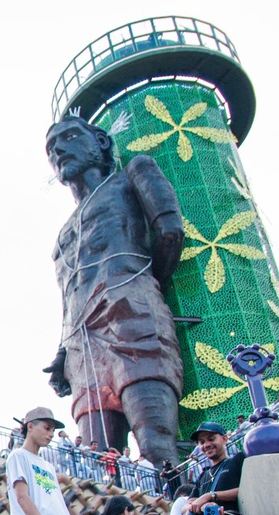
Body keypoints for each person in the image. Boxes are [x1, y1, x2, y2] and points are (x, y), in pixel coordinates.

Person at [42, 116, 184, 467]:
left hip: (132, 318)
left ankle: (180, 511)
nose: (58, 150)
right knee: (98, 462)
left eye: (70, 137)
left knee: (156, 445)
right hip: (82, 343)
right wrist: (62, 352)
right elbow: (67, 299)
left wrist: (139, 285)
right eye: (50, 148)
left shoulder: (133, 173)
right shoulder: (61, 236)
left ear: (102, 142)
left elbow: (170, 231)